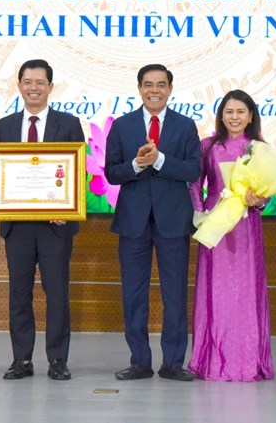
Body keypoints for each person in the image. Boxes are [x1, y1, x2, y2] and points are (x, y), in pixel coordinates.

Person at [104, 64, 201, 381]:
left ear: (170, 89)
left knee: (175, 294)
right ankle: (140, 361)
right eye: (148, 84)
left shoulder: (185, 126)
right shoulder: (122, 125)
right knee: (133, 294)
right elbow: (111, 173)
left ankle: (173, 362)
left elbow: (193, 170)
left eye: (161, 84)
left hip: (173, 222)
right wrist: (136, 164)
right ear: (139, 88)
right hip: (133, 223)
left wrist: (159, 160)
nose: (154, 90)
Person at [0, 59, 85, 381]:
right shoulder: (3, 126)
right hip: (16, 225)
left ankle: (58, 359)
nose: (33, 88)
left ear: (50, 87)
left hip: (55, 226)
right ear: (19, 86)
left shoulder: (68, 123)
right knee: (19, 294)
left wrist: (66, 208)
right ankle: (22, 359)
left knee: (57, 294)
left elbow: (78, 171)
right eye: (28, 82)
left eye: (40, 82)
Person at [188, 90, 273, 382]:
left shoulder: (259, 149)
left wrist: (258, 200)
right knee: (215, 290)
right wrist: (200, 213)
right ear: (221, 116)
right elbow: (194, 183)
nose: (234, 117)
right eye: (229, 112)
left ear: (250, 116)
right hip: (215, 225)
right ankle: (210, 360)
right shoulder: (208, 146)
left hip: (247, 226)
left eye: (240, 112)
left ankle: (248, 361)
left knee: (246, 291)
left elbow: (267, 191)